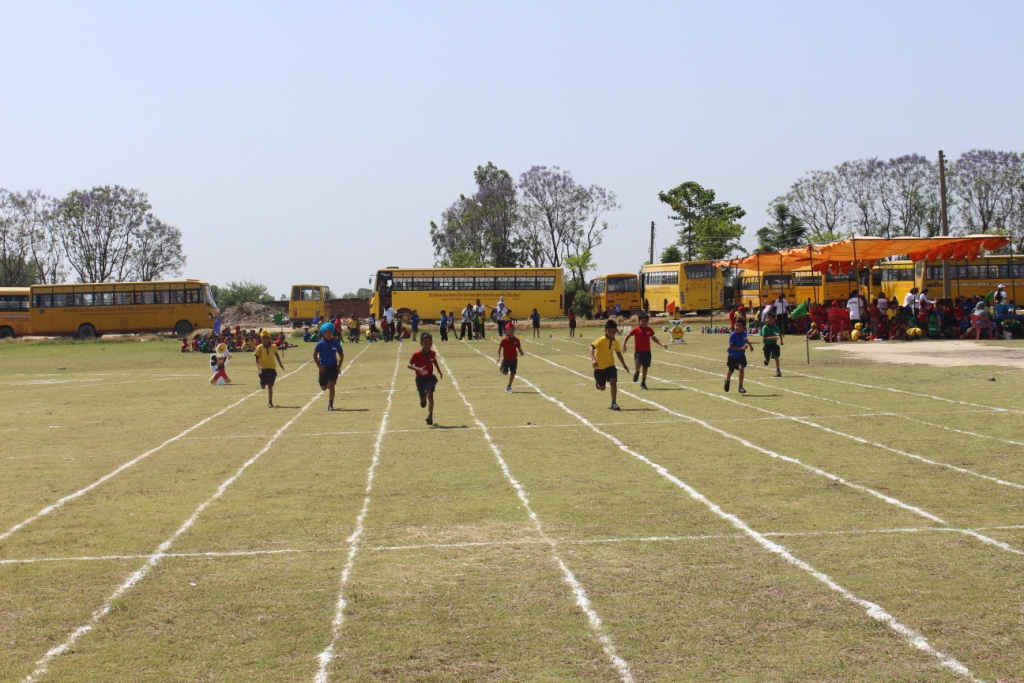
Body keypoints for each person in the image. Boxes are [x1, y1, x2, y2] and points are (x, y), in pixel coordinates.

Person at [590, 319, 630, 411]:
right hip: (599, 368)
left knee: (613, 382)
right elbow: (591, 347)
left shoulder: (616, 343)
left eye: (613, 332)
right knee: (602, 388)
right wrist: (593, 359)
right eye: (609, 332)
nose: (611, 334)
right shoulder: (601, 340)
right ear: (605, 331)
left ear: (616, 331)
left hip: (610, 366)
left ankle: (614, 403)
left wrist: (624, 365)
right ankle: (599, 383)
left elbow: (618, 353)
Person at [622, 312, 667, 390]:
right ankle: (637, 371)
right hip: (638, 352)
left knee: (645, 367)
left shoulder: (649, 330)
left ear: (648, 321)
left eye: (645, 321)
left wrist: (661, 344)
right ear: (639, 321)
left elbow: (654, 338)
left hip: (647, 352)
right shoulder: (636, 329)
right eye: (642, 321)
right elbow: (627, 336)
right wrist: (624, 345)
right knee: (638, 364)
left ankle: (643, 381)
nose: (644, 323)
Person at [408, 332, 442, 425]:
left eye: (429, 344)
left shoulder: (433, 353)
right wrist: (418, 369)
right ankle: (422, 400)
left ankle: (430, 416)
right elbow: (409, 365)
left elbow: (434, 360)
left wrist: (439, 370)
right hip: (420, 379)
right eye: (425, 343)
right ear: (421, 343)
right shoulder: (416, 354)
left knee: (430, 395)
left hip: (430, 378)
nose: (427, 346)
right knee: (423, 399)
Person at [313, 322, 344, 411]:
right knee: (323, 388)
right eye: (326, 332)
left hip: (333, 367)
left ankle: (330, 404)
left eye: (329, 332)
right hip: (323, 367)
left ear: (332, 332)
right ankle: (325, 384)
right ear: (323, 333)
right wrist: (319, 366)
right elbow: (314, 355)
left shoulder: (336, 344)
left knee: (331, 385)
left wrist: (339, 367)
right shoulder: (320, 344)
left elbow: (341, 355)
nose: (328, 334)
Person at [255, 329, 286, 408]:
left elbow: (276, 355)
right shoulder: (259, 348)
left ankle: (270, 402)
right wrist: (259, 368)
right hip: (263, 369)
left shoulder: (273, 347)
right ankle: (264, 381)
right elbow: (257, 359)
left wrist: (280, 364)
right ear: (261, 338)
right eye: (263, 338)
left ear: (269, 338)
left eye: (267, 338)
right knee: (263, 387)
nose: (265, 340)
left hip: (271, 369)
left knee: (270, 386)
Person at [725, 317, 754, 394]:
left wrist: (750, 345)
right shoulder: (733, 335)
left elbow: (745, 339)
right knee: (730, 371)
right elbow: (732, 346)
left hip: (741, 355)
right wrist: (741, 348)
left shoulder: (744, 333)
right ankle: (727, 380)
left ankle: (740, 386)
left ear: (743, 327)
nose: (737, 327)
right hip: (732, 356)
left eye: (739, 326)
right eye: (736, 325)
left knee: (741, 368)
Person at [496, 323, 524, 393]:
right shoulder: (504, 340)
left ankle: (509, 386)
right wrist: (499, 356)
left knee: (513, 373)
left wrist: (521, 352)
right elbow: (499, 347)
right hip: (506, 359)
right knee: (505, 373)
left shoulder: (516, 340)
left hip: (514, 359)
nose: (511, 331)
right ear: (506, 331)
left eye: (513, 329)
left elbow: (518, 347)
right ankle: (502, 368)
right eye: (509, 330)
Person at [759, 312, 783, 378]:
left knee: (776, 357)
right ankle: (766, 360)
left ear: (773, 320)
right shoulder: (764, 328)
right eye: (767, 318)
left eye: (770, 318)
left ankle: (778, 370)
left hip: (774, 344)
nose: (768, 320)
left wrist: (781, 341)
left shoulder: (775, 327)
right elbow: (764, 337)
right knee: (767, 359)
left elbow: (780, 333)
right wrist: (772, 338)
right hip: (767, 345)